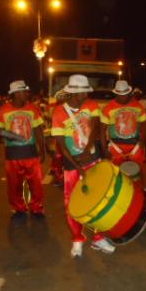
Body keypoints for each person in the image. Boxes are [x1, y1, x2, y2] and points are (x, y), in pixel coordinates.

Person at [51, 75, 115, 257]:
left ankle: (98, 237)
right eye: (84, 91)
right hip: (72, 164)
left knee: (99, 199)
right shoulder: (58, 112)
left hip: (92, 159)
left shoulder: (91, 105)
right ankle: (77, 238)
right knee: (72, 203)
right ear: (75, 93)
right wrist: (76, 165)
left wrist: (88, 150)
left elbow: (95, 128)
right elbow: (61, 145)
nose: (87, 93)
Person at [0, 80, 46, 219]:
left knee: (35, 183)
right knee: (14, 184)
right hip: (13, 155)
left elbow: (38, 130)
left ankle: (37, 207)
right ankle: (19, 208)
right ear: (16, 93)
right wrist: (10, 135)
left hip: (30, 153)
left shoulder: (32, 109)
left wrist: (42, 150)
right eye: (24, 92)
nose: (27, 94)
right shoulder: (4, 109)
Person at [101, 80, 146, 167]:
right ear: (116, 94)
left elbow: (145, 125)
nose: (123, 97)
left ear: (129, 93)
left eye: (125, 94)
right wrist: (105, 150)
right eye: (120, 95)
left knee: (136, 174)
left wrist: (142, 142)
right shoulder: (108, 108)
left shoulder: (138, 106)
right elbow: (102, 131)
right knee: (117, 175)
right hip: (116, 147)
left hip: (135, 146)